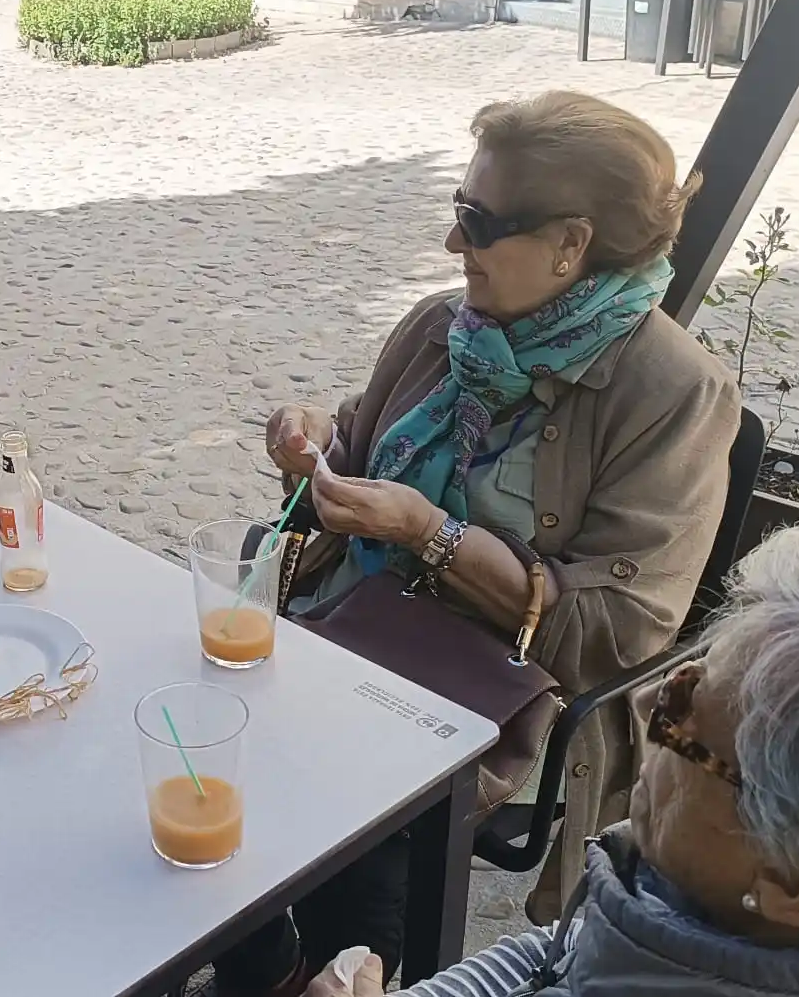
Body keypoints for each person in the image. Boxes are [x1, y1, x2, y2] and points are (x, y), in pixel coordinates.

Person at [227, 91, 741, 993]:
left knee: (343, 797)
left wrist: (430, 534)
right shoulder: (444, 326)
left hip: (493, 692)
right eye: (458, 209)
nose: (452, 242)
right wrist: (312, 443)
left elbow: (621, 633)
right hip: (346, 626)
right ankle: (270, 961)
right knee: (206, 742)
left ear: (572, 243)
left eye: (479, 222)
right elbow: (358, 444)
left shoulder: (676, 394)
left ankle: (339, 967)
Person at [307, 524, 799, 997]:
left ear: (790, 882)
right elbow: (569, 949)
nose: (650, 695)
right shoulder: (717, 905)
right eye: (687, 670)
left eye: (684, 715)